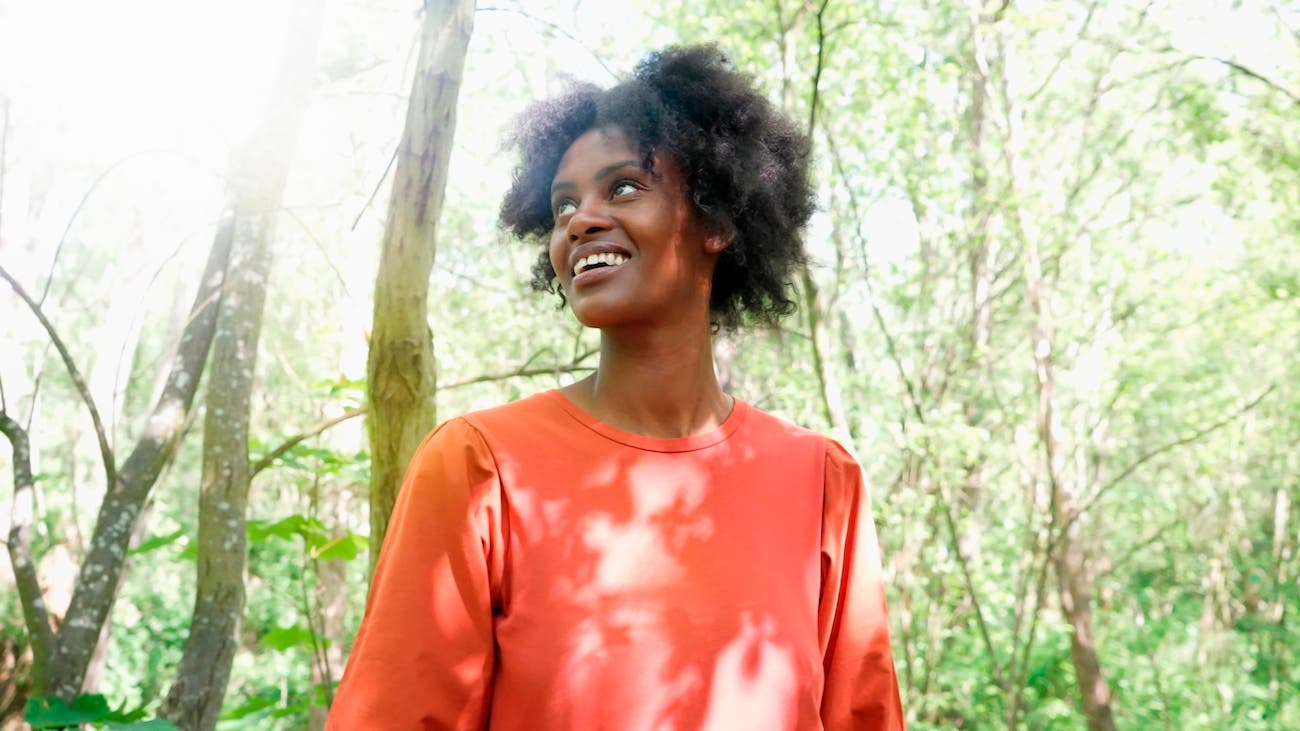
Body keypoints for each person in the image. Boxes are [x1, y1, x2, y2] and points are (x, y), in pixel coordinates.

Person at [327, 45, 904, 730]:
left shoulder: (822, 481)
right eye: (563, 203)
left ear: (717, 220)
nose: (580, 219)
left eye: (623, 187)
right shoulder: (479, 466)